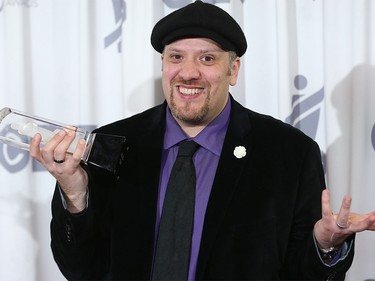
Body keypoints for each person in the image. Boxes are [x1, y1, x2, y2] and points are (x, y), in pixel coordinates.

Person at [30, 1, 375, 280]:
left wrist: (324, 247)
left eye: (207, 58)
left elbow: (303, 274)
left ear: (233, 70)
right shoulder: (113, 142)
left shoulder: (289, 153)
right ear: (163, 64)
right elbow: (80, 269)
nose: (189, 72)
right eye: (176, 56)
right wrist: (75, 195)